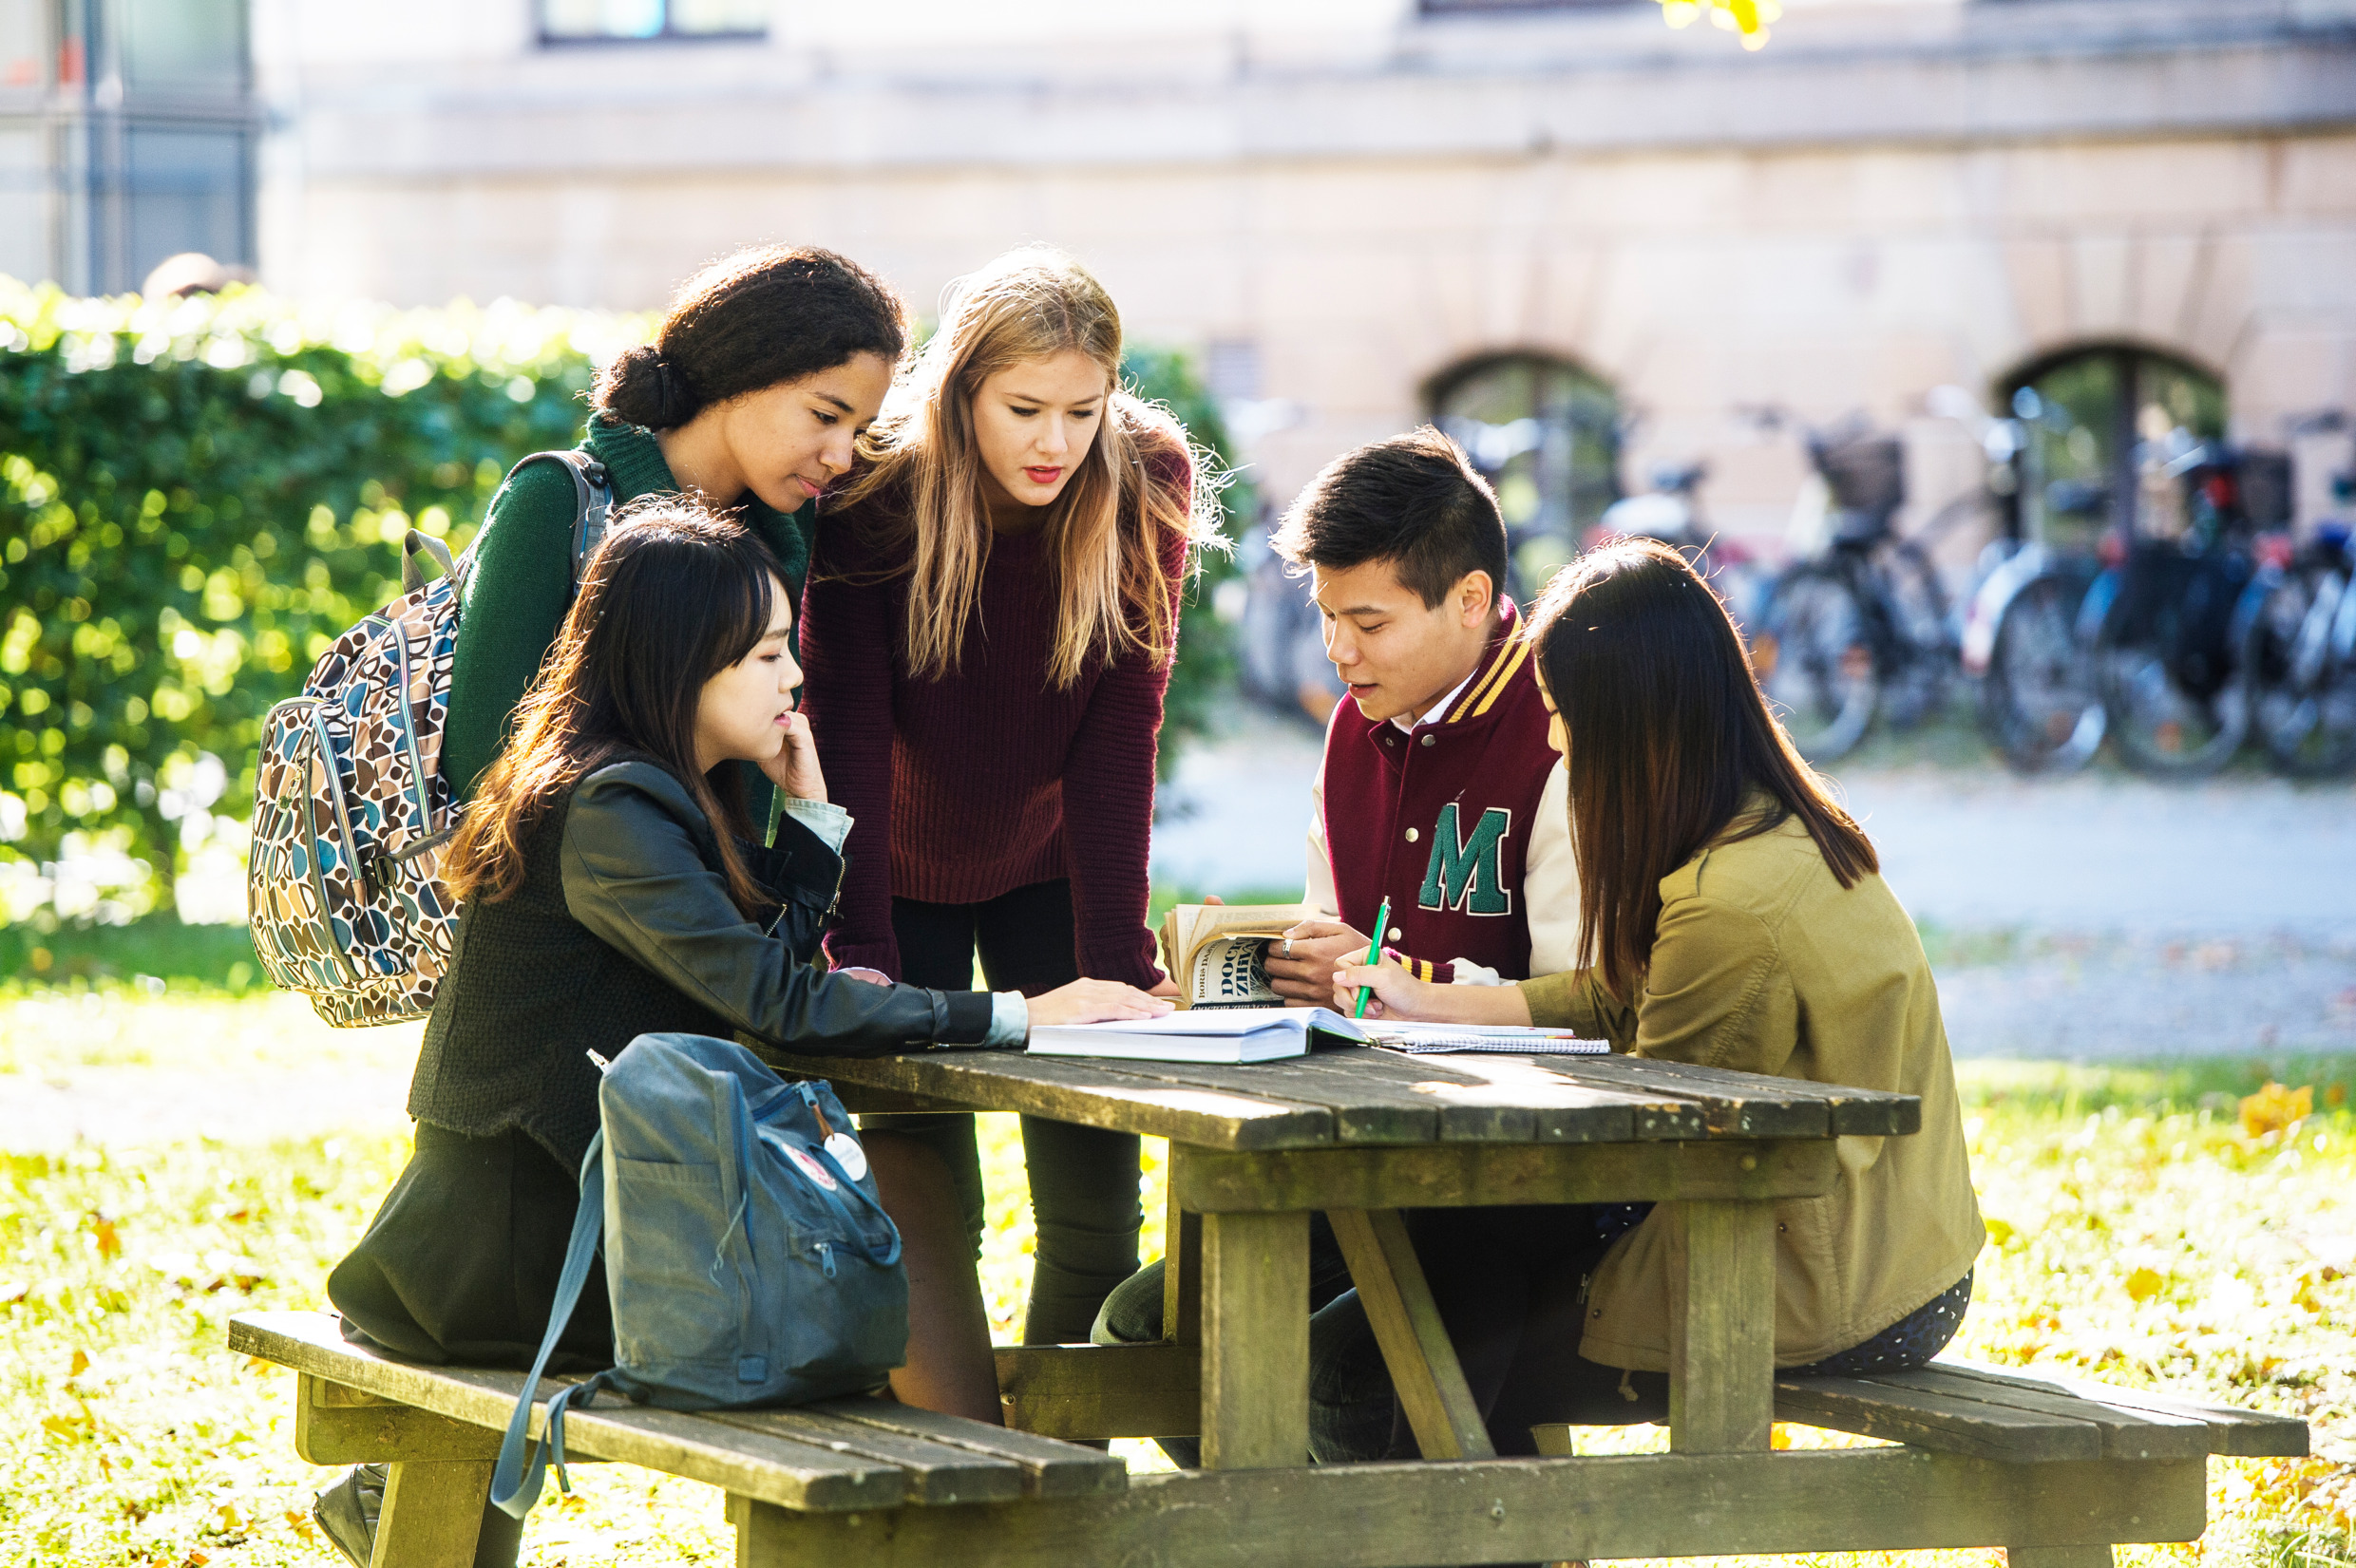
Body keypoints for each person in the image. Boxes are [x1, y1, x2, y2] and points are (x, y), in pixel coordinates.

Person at [314, 503, 1168, 1568]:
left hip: (573, 1219)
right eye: (766, 654)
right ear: (683, 661)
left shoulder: (645, 788)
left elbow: (754, 968)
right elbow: (773, 1001)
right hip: (514, 1255)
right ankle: (990, 1519)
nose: (792, 681)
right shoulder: (607, 807)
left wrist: (807, 820)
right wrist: (1020, 1012)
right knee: (892, 1197)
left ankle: (983, 1503)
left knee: (894, 1193)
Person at [1321, 537, 1985, 1460]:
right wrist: (1425, 1003)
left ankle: (1422, 1539)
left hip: (1831, 1290)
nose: (1552, 745)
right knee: (1452, 1286)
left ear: (1633, 724)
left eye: (1562, 716)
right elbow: (1623, 997)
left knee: (1401, 1336)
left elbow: (1641, 1147)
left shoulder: (1728, 906)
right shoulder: (1767, 830)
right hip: (1890, 1255)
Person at [1088, 428, 1579, 1404]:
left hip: (1522, 1178)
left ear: (1471, 599)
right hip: (1361, 1150)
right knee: (1140, 1338)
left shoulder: (1559, 724)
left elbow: (1585, 1006)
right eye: (1324, 616)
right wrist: (1260, 972)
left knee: (1328, 1385)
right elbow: (1335, 938)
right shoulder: (1351, 728)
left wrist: (1395, 983)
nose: (1337, 650)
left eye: (1369, 620)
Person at [798, 247, 1217, 1347]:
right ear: (961, 389)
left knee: (1093, 1217)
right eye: (1024, 408)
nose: (1054, 442)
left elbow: (1123, 726)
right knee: (926, 1210)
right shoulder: (873, 492)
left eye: (1082, 410)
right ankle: (957, 1452)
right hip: (893, 872)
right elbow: (844, 725)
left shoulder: (1144, 478)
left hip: (1050, 869)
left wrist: (1115, 960)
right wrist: (864, 949)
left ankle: (1058, 1459)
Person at [444, 243, 907, 822]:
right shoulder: (555, 501)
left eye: (859, 428)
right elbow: (480, 772)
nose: (842, 456)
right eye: (824, 416)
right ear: (743, 375)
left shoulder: (792, 528)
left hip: (715, 907)